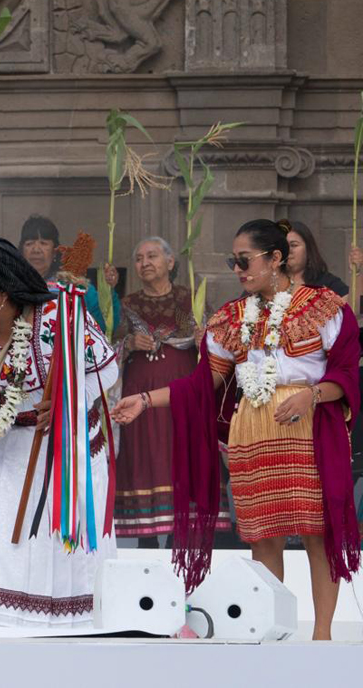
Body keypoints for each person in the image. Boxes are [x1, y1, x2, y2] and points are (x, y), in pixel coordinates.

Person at [113, 219, 361, 641]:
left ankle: (322, 636)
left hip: (308, 427)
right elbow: (199, 384)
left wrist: (313, 395)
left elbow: (348, 372)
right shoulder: (231, 317)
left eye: (244, 260)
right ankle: (274, 634)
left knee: (316, 532)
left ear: (276, 258)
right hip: (253, 432)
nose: (237, 269)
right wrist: (145, 400)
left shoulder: (324, 307)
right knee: (264, 539)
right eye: (234, 261)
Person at [0, 235, 118, 628]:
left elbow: (107, 369)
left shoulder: (62, 317)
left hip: (69, 455)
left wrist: (65, 403)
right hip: (8, 455)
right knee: (7, 551)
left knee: (62, 556)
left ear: (3, 292)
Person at [112, 237, 231, 547]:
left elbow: (219, 349)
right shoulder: (127, 304)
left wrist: (203, 337)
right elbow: (108, 346)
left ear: (170, 262)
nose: (144, 263)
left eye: (152, 256)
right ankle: (146, 545)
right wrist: (129, 343)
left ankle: (182, 541)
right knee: (144, 456)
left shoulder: (190, 299)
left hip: (181, 388)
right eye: (138, 258)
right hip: (139, 390)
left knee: (180, 454)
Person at [19, 214, 119, 331]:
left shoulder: (74, 286)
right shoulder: (10, 285)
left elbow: (105, 326)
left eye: (43, 243)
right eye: (29, 243)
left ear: (55, 251)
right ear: (21, 251)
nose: (36, 250)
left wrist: (108, 290)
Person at [286, 219, 348, 296]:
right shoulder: (269, 281)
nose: (287, 250)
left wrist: (357, 273)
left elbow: (351, 305)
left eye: (293, 245)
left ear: (308, 249)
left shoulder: (326, 282)